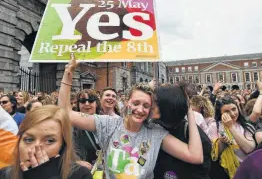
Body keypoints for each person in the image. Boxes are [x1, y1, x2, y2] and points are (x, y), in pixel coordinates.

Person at [58, 54, 203, 178]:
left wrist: (188, 110)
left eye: (146, 106)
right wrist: (68, 73)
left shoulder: (156, 133)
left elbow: (195, 156)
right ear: (126, 103)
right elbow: (65, 113)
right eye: (136, 103)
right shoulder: (108, 124)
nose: (140, 109)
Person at [0, 105, 92, 179]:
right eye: (29, 140)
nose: (36, 148)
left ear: (62, 145)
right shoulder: (4, 174)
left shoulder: (80, 175)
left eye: (49, 141)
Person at [153, 86, 212, 179]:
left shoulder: (195, 136)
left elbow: (200, 171)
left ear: (166, 106)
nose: (150, 105)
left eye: (155, 102)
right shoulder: (153, 127)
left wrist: (189, 112)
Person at [211, 96, 256, 179]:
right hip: (225, 172)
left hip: (247, 170)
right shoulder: (214, 126)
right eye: (226, 111)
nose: (232, 114)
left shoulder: (246, 126)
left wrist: (231, 127)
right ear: (220, 113)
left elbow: (249, 148)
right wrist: (222, 142)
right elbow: (214, 153)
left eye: (234, 109)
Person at [73, 89, 102, 170]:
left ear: (96, 103)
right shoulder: (71, 126)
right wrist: (74, 162)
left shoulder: (106, 123)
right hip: (82, 173)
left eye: (91, 100)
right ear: (78, 104)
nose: (87, 104)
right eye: (82, 101)